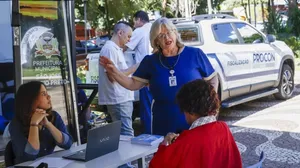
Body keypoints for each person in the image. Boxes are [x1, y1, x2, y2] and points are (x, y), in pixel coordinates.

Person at [100, 17, 218, 135]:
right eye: (161, 35)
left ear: (175, 33)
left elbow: (212, 78)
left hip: (194, 121)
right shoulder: (150, 61)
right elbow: (132, 84)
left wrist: (209, 106)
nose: (166, 37)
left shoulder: (194, 54)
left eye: (168, 32)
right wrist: (114, 71)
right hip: (163, 122)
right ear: (156, 41)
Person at [149, 79, 242, 168]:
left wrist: (165, 144)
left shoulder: (186, 141)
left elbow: (155, 165)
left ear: (190, 111)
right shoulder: (224, 128)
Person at [9, 81, 73, 164]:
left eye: (47, 93)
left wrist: (48, 124)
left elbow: (68, 144)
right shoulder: (16, 124)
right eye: (43, 94)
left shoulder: (53, 116)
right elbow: (28, 157)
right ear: (31, 99)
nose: (49, 97)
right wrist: (34, 124)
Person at [98, 21, 137, 137]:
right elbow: (113, 77)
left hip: (122, 98)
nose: (129, 40)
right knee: (126, 134)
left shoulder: (114, 49)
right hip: (119, 99)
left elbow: (116, 74)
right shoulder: (109, 49)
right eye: (129, 36)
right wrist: (135, 67)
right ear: (120, 33)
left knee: (124, 134)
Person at [124, 10, 153, 134]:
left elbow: (124, 46)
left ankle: (148, 135)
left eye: (134, 21)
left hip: (144, 75)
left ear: (139, 20)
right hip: (157, 72)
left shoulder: (139, 31)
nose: (134, 24)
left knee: (146, 108)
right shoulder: (153, 28)